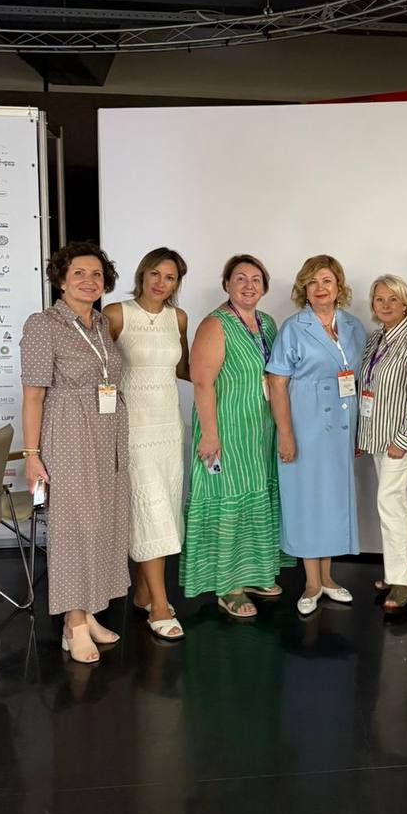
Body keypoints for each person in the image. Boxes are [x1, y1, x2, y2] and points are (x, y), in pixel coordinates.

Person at [20, 241, 129, 664]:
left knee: (102, 525)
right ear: (61, 280)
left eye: (97, 274)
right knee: (73, 529)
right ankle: (73, 624)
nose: (89, 280)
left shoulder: (101, 323)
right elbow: (33, 396)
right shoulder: (43, 324)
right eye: (79, 273)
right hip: (68, 436)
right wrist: (32, 454)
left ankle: (87, 610)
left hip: (108, 435)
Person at [179, 254, 294, 620]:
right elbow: (202, 383)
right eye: (240, 278)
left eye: (256, 279)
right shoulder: (215, 324)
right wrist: (209, 435)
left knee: (255, 496)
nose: (248, 285)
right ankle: (228, 585)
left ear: (264, 286)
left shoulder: (267, 323)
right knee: (229, 500)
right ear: (226, 284)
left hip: (258, 430)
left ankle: (255, 573)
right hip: (225, 430)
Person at [267, 255, 367, 615]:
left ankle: (328, 577)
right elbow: (277, 384)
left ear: (339, 286)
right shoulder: (294, 328)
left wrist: (361, 430)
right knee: (306, 499)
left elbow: (359, 379)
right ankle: (311, 581)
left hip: (342, 425)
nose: (320, 288)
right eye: (312, 282)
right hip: (305, 424)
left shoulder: (353, 326)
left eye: (326, 281)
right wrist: (286, 434)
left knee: (333, 499)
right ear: (304, 289)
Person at [104, 247, 190, 641]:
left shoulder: (179, 318)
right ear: (142, 274)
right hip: (133, 429)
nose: (161, 282)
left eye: (169, 277)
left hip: (169, 428)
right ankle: (159, 604)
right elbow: (99, 368)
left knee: (164, 509)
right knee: (150, 509)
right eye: (155, 273)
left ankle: (142, 591)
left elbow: (185, 369)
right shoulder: (116, 314)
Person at [356, 276, 407, 614]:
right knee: (397, 501)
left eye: (393, 299)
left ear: (406, 305)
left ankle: (402, 581)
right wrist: (363, 435)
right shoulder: (376, 339)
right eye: (379, 299)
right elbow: (368, 388)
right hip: (377, 435)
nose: (385, 305)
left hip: (401, 439)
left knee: (389, 501)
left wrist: (404, 439)